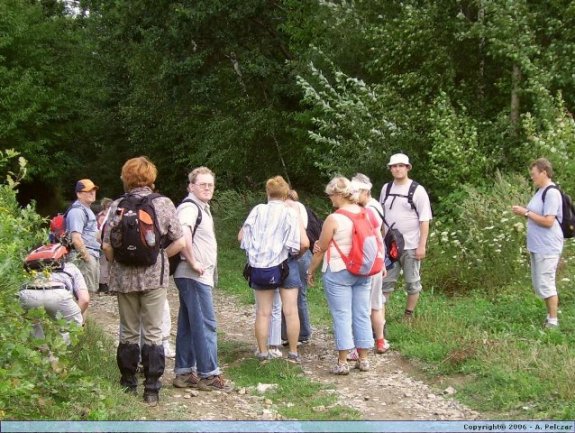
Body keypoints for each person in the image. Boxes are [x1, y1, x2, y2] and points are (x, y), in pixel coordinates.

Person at [102, 156, 185, 406]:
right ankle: (151, 389)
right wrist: (160, 256)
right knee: (153, 331)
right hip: (154, 278)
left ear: (126, 178)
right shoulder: (163, 203)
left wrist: (117, 263)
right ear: (151, 177)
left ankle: (128, 383)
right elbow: (180, 240)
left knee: (128, 330)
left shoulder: (117, 205)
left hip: (124, 278)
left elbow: (106, 245)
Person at [307, 176, 380, 375]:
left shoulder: (334, 219)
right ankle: (364, 359)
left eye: (330, 195)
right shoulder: (366, 213)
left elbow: (321, 249)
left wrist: (310, 270)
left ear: (338, 194)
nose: (330, 199)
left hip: (339, 270)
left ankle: (342, 362)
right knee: (362, 313)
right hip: (363, 270)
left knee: (342, 315)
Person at [172, 167, 233, 391]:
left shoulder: (200, 208)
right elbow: (183, 234)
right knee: (206, 324)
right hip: (194, 275)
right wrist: (192, 261)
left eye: (210, 185)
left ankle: (184, 373)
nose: (207, 188)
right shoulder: (190, 208)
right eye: (202, 184)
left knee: (189, 325)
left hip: (193, 276)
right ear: (191, 186)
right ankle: (209, 375)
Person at [239, 176, 309, 363]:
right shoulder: (291, 213)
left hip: (261, 266)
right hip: (287, 264)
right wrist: (297, 256)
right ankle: (293, 353)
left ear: (267, 192)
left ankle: (263, 353)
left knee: (263, 312)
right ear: (286, 194)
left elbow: (241, 237)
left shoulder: (257, 210)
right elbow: (304, 243)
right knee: (290, 310)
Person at [378, 153, 432, 322]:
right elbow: (381, 216)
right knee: (385, 281)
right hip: (390, 245)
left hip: (411, 244)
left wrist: (421, 245)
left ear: (408, 168)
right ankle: (380, 316)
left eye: (401, 165)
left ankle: (408, 315)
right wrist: (381, 242)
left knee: (412, 282)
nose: (397, 169)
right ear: (390, 169)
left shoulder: (417, 190)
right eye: (394, 166)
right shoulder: (386, 189)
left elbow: (424, 219)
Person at [512, 158, 564, 328]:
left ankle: (553, 321)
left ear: (544, 172)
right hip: (537, 245)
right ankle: (549, 315)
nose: (532, 177)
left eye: (534, 174)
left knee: (546, 283)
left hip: (548, 246)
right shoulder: (540, 191)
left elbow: (549, 221)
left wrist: (526, 213)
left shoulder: (551, 193)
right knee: (540, 283)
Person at [352, 173, 389, 354]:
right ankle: (380, 341)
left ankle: (361, 345)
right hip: (376, 260)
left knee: (364, 305)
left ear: (365, 191)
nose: (353, 195)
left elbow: (369, 238)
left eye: (356, 191)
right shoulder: (375, 206)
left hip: (367, 262)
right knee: (376, 303)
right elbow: (380, 237)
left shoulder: (368, 210)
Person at [20, 250, 90, 345]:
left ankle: (41, 350)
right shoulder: (70, 267)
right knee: (73, 327)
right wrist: (73, 316)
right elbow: (84, 300)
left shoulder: (32, 266)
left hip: (28, 292)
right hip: (58, 293)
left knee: (31, 325)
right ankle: (60, 349)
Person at [280, 189, 313, 346]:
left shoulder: (289, 207)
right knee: (299, 295)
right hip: (304, 254)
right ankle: (297, 333)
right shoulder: (301, 207)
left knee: (293, 296)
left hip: (297, 252)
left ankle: (298, 333)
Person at [66, 179, 100, 293]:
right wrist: (87, 259)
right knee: (83, 294)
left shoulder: (86, 210)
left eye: (94, 190)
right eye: (88, 191)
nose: (92, 193)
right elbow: (76, 239)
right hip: (82, 258)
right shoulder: (77, 212)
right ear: (79, 194)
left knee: (88, 293)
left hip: (90, 255)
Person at [96, 197, 113, 294]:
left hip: (100, 243)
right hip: (103, 244)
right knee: (104, 264)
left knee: (103, 264)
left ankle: (104, 284)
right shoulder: (104, 217)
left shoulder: (99, 215)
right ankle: (103, 285)